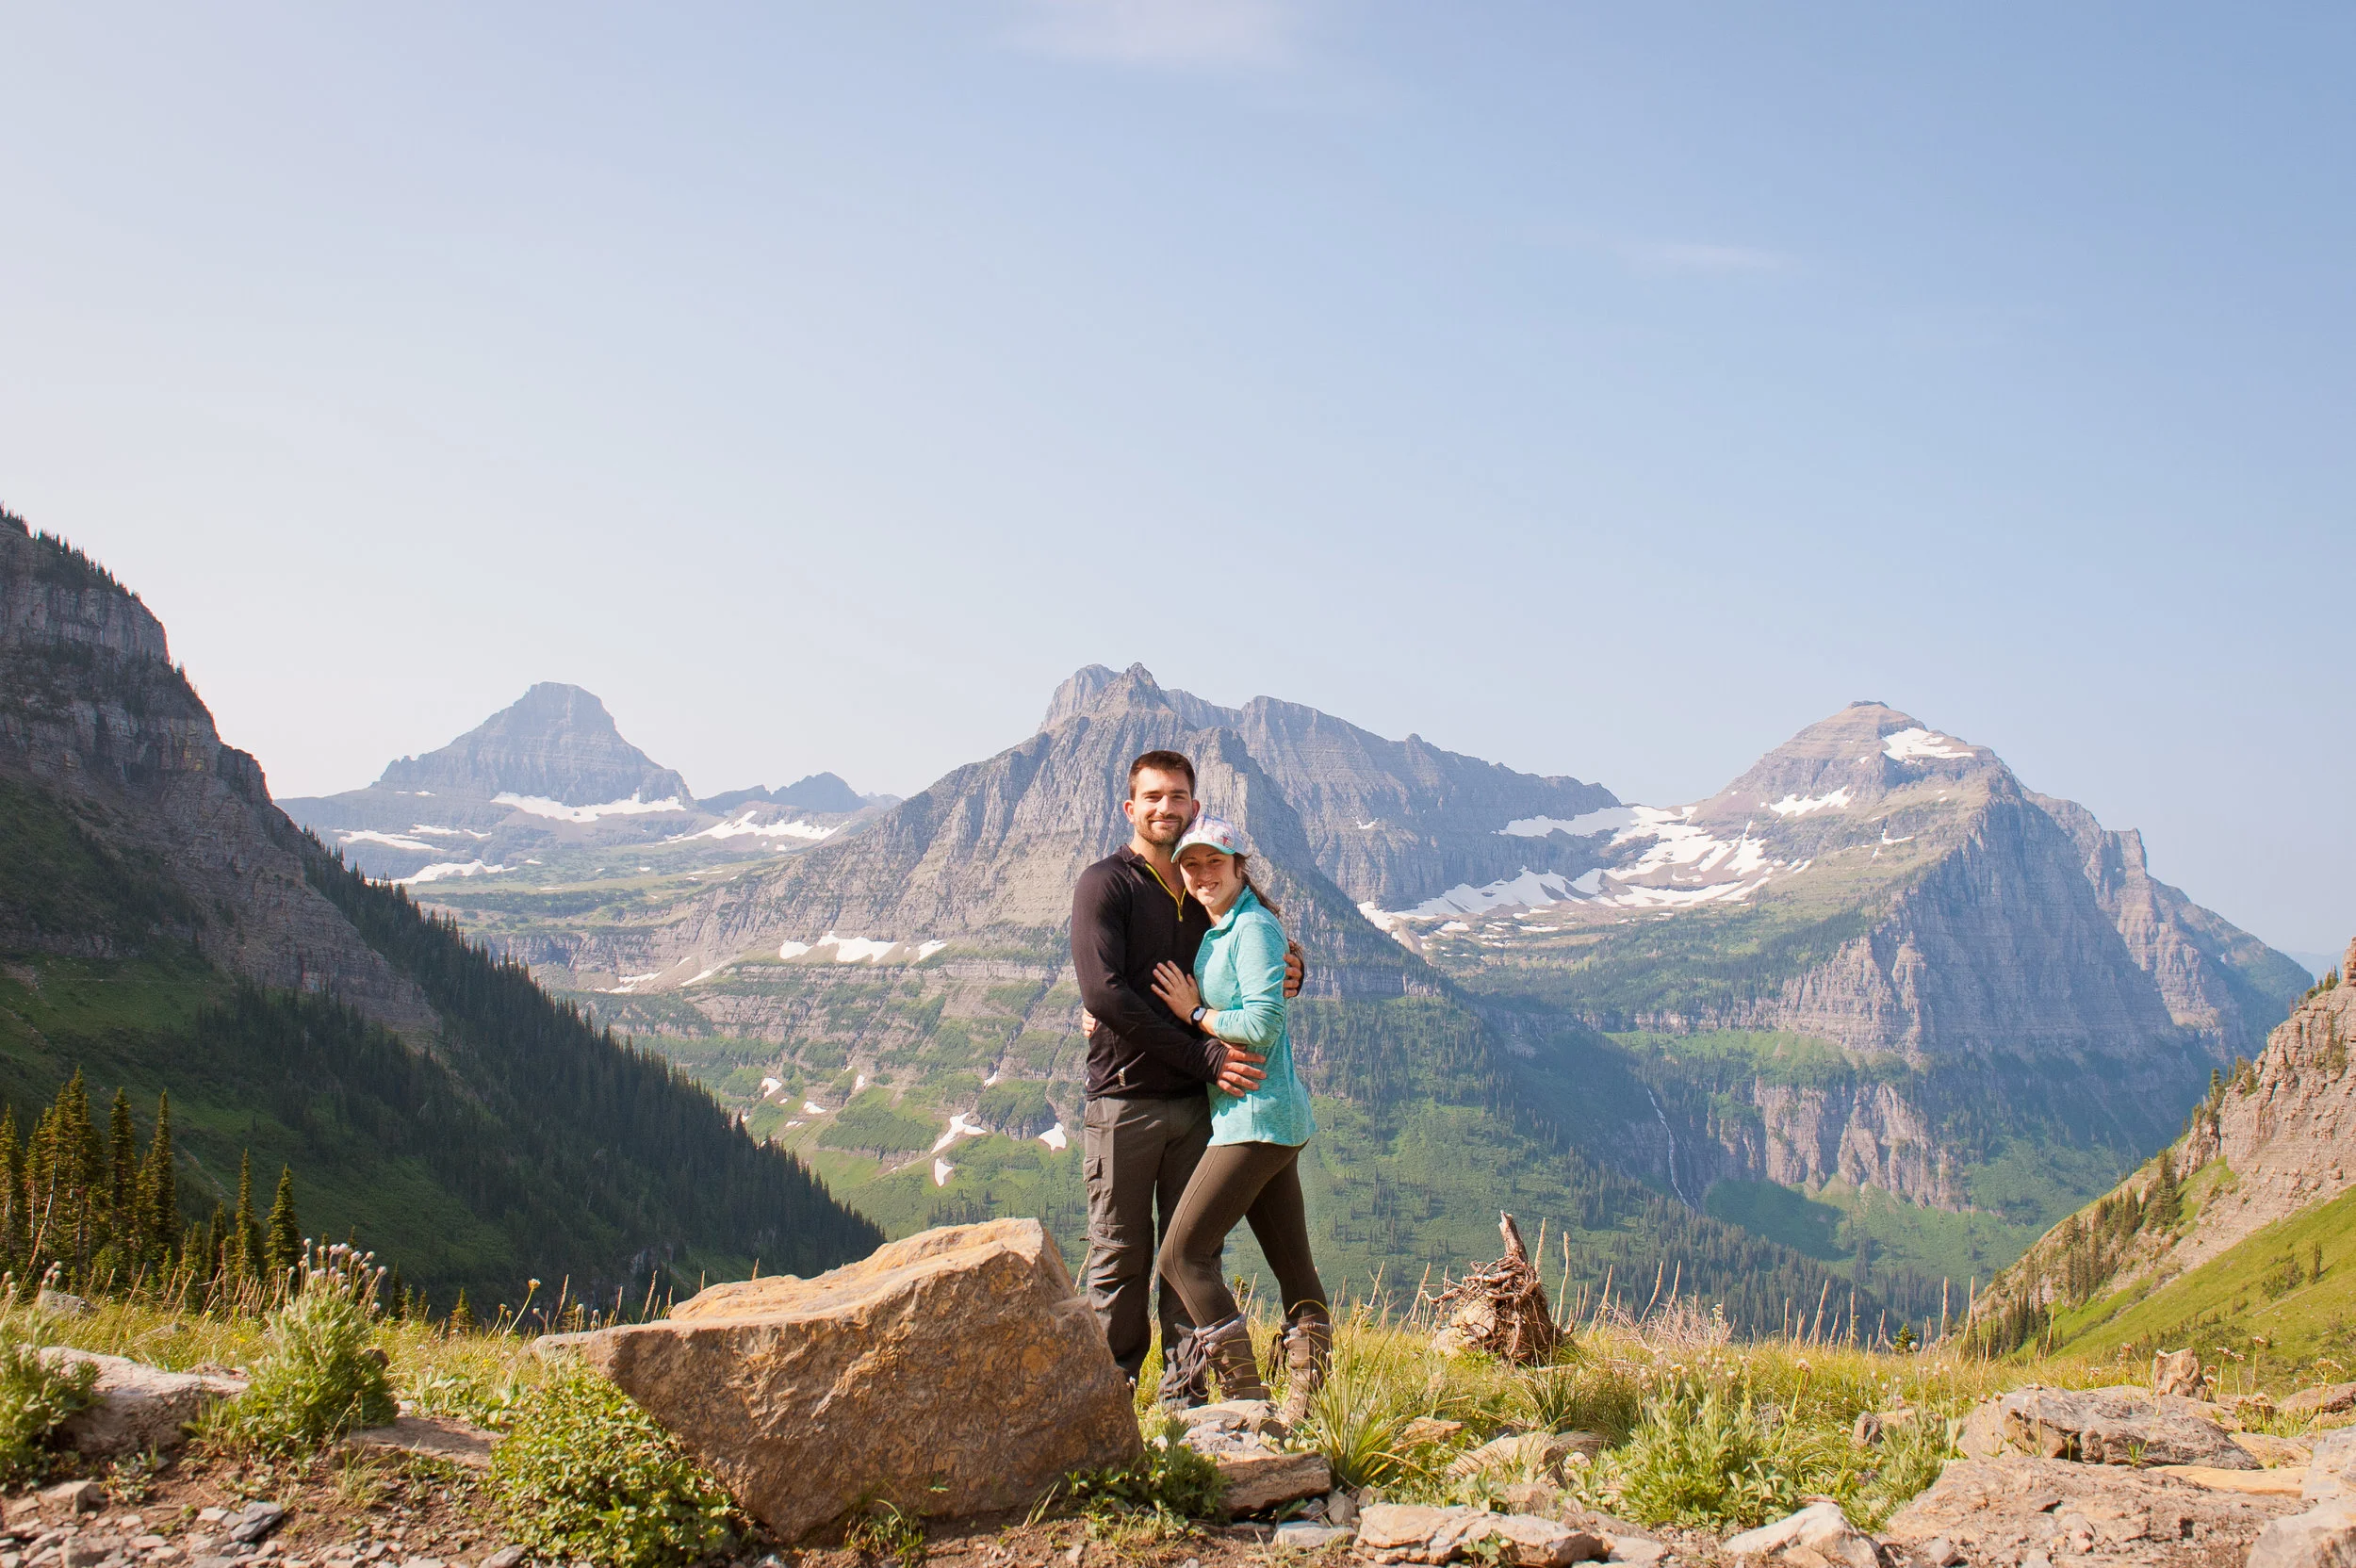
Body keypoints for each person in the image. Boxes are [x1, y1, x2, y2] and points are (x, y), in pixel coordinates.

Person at [1070, 749, 1301, 1408]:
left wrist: (1296, 969)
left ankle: (1188, 1403)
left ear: (1194, 808)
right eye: (1153, 797)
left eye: (1177, 798)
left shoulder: (1204, 883)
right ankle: (1107, 1407)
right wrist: (1200, 1053)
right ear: (1130, 807)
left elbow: (1264, 938)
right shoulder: (1105, 883)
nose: (1166, 808)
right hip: (1126, 1101)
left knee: (1189, 1255)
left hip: (1201, 1107)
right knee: (1120, 1258)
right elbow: (1105, 993)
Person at [1147, 813, 1330, 1425]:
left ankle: (1248, 1404)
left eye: (1214, 863)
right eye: (1191, 865)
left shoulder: (1252, 929)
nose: (1202, 875)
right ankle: (1306, 1409)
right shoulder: (1226, 927)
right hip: (1267, 1119)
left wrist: (1196, 1013)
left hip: (1254, 1121)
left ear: (1239, 866)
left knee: (1181, 1255)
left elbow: (1261, 1025)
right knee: (1293, 1263)